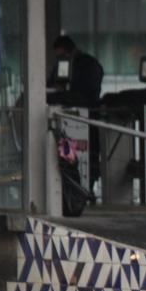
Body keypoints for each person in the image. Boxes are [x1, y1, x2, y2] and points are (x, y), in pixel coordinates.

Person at [48, 35, 104, 194]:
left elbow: (87, 92)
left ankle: (87, 186)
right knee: (81, 151)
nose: (59, 60)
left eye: (61, 55)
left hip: (87, 114)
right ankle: (82, 186)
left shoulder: (88, 65)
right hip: (82, 115)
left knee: (88, 151)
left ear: (68, 51)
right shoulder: (85, 64)